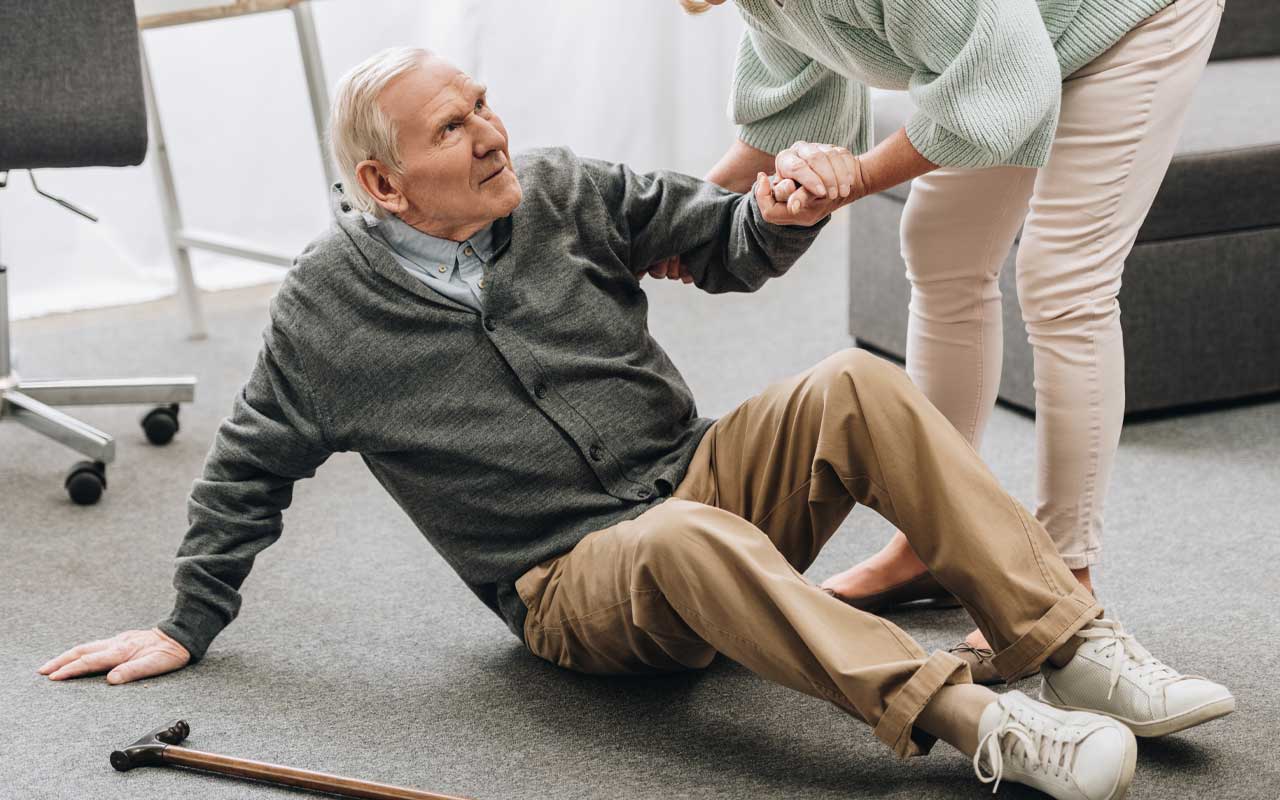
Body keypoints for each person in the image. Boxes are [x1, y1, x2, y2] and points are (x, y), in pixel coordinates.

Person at [39, 48, 1232, 799]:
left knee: (851, 382)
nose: (490, 133)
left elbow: (720, 241)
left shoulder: (557, 187)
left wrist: (781, 209)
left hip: (697, 481)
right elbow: (247, 465)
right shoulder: (324, 311)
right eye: (451, 128)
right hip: (571, 585)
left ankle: (1066, 642)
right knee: (675, 536)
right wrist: (187, 619)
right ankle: (984, 725)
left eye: (482, 104)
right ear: (384, 186)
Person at [657, 0, 1225, 682]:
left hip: (1132, 19)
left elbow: (1001, 84)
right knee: (942, 247)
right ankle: (930, 545)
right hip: (1018, 39)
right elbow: (787, 126)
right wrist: (665, 225)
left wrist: (856, 180)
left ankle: (1061, 582)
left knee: (1062, 281)